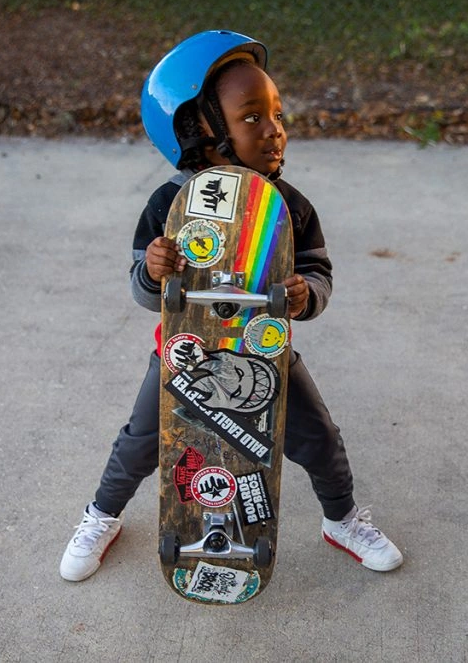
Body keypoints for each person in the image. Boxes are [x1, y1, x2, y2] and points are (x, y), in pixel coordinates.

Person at [60, 30, 403, 582]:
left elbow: (320, 275)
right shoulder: (168, 204)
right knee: (142, 442)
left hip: (265, 353)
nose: (274, 131)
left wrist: (304, 294)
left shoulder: (288, 206)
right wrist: (153, 269)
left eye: (277, 114)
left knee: (320, 440)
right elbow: (144, 293)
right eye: (251, 118)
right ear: (202, 130)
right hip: (184, 354)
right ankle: (100, 516)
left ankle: (343, 520)